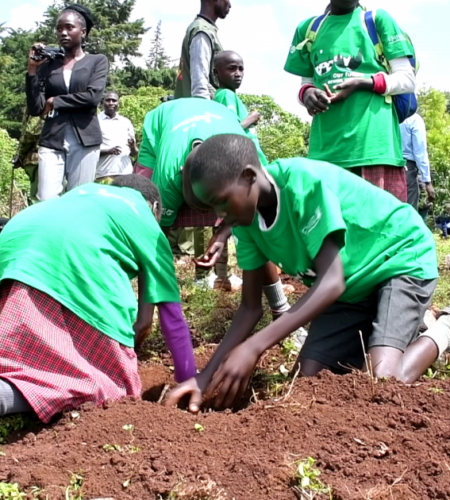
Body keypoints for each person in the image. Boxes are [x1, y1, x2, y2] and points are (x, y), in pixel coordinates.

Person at [165, 134, 441, 412]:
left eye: (221, 201)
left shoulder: (302, 184)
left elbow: (331, 282)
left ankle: (443, 331)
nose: (220, 214)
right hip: (351, 290)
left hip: (398, 260)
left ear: (248, 176)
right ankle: (383, 333)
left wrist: (253, 347)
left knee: (382, 382)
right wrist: (205, 376)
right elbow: (250, 308)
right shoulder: (245, 223)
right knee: (309, 383)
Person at [0, 175, 196, 422]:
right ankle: (8, 396)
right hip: (68, 257)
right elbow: (163, 317)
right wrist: (188, 377)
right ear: (155, 208)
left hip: (11, 247)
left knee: (13, 357)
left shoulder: (86, 194)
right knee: (106, 388)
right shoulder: (144, 218)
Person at [134, 98, 290, 317]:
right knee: (144, 209)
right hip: (163, 121)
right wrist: (146, 314)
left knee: (256, 221)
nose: (214, 215)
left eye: (217, 204)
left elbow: (254, 213)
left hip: (220, 118)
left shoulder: (248, 157)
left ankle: (281, 307)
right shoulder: (168, 177)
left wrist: (222, 234)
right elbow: (154, 241)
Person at [284, 0, 416, 201]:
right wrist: (307, 94)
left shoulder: (376, 20)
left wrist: (363, 83)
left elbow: (407, 79)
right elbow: (306, 84)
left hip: (374, 149)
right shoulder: (309, 30)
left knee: (378, 227)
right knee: (329, 228)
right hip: (325, 152)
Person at [26, 4, 108, 200]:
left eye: (69, 27)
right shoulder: (48, 66)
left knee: (78, 200)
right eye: (59, 28)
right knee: (45, 198)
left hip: (85, 140)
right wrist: (32, 70)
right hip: (52, 139)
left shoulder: (97, 61)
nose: (63, 32)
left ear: (83, 31)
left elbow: (92, 97)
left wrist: (55, 101)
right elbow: (36, 108)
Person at [213, 51, 266, 166]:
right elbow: (229, 131)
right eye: (232, 68)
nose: (238, 74)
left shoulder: (230, 96)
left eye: (241, 69)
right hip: (247, 162)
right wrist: (251, 118)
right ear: (216, 72)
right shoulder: (226, 95)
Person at [175, 0, 231, 99]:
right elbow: (200, 89)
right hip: (202, 111)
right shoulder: (202, 31)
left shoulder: (205, 29)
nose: (229, 5)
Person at [96, 91, 139, 183]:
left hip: (126, 174)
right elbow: (90, 152)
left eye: (114, 100)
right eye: (108, 100)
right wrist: (108, 151)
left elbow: (134, 154)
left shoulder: (126, 122)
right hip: (104, 174)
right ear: (102, 102)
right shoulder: (95, 121)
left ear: (118, 103)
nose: (111, 103)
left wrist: (133, 147)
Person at [400, 113, 435, 211]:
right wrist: (427, 182)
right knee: (409, 210)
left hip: (385, 166)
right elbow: (420, 152)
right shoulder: (414, 119)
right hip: (406, 169)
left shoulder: (389, 115)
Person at [11, 108, 43, 205]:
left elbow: (31, 132)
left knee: (38, 199)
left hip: (38, 158)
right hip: (65, 156)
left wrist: (19, 155)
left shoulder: (39, 102)